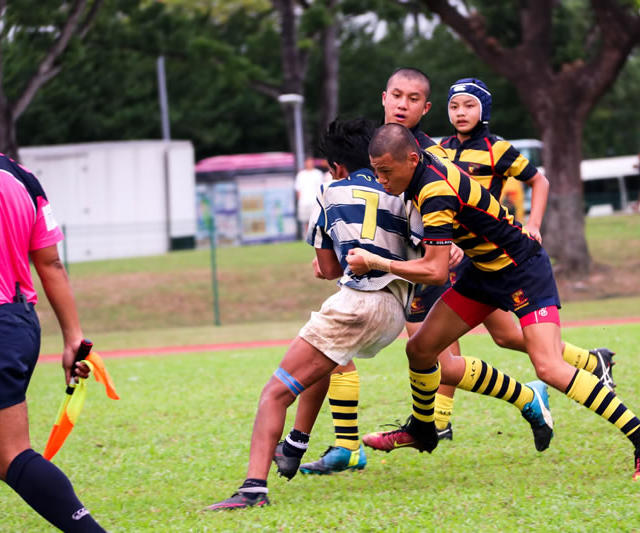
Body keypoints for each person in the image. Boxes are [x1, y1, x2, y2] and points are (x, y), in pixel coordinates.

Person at [293, 70, 615, 473]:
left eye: (412, 99)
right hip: (418, 269)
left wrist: (462, 244)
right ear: (383, 98)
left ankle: (495, 405)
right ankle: (370, 439)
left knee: (449, 354)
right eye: (395, 96)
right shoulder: (383, 151)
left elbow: (451, 208)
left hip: (449, 265)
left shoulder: (432, 154)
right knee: (454, 346)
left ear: (425, 108)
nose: (401, 105)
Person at [349, 123, 640, 480]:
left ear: (412, 159)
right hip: (484, 271)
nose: (380, 180)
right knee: (420, 349)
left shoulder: (434, 191)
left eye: (386, 172)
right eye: (375, 171)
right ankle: (424, 430)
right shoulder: (427, 160)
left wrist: (375, 261)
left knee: (548, 367)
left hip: (523, 269)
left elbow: (436, 272)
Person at [204, 117, 423, 510]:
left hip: (358, 301)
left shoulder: (330, 191)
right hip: (394, 311)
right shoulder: (402, 189)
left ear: (336, 166)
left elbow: (329, 269)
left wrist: (325, 266)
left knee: (274, 393)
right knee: (330, 361)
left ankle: (253, 488)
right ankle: (295, 443)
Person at [0, 70, 106, 531]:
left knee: (4, 456)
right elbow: (50, 265)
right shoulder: (22, 177)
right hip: (15, 324)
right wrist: (74, 338)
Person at [294, 155, 325, 235]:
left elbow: (322, 188)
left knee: (316, 220)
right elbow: (298, 190)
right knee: (306, 221)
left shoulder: (318, 174)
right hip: (304, 202)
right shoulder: (301, 174)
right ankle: (308, 236)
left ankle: (316, 236)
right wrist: (299, 201)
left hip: (315, 201)